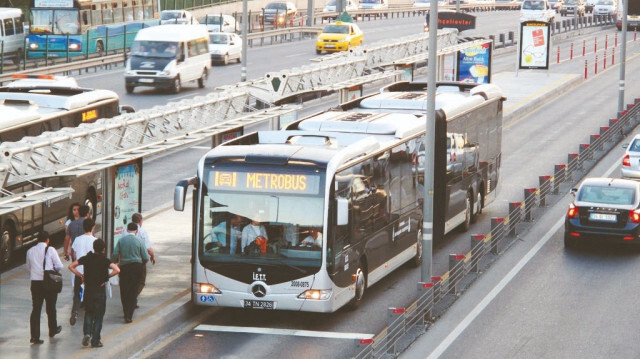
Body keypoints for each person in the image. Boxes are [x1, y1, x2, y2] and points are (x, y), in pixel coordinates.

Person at [69, 239, 119, 348]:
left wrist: (80, 275)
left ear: (93, 247)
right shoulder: (105, 260)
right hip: (100, 292)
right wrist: (106, 278)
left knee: (89, 313)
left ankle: (87, 333)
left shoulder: (87, 258)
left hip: (88, 292)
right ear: (103, 249)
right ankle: (95, 341)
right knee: (99, 317)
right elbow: (117, 270)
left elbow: (71, 266)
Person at [26, 231, 63, 344]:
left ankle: (35, 336)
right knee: (51, 307)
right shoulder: (51, 250)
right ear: (47, 240)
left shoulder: (30, 251)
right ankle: (52, 329)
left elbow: (28, 268)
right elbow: (59, 266)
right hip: (49, 282)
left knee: (36, 309)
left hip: (36, 283)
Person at [112, 222, 149, 323]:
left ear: (127, 230)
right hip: (136, 267)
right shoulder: (139, 241)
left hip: (124, 268)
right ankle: (129, 315)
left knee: (124, 290)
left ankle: (125, 312)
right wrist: (141, 264)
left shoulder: (121, 240)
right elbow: (146, 257)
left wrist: (115, 262)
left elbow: (115, 254)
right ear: (136, 231)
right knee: (133, 290)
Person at [69, 218, 98, 326]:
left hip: (79, 271)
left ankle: (74, 311)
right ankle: (89, 315)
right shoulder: (95, 241)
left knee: (77, 293)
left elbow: (75, 256)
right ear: (93, 227)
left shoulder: (77, 239)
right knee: (90, 293)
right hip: (90, 272)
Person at [132, 213, 155, 308]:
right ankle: (132, 298)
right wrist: (152, 256)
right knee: (141, 281)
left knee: (131, 281)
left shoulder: (125, 231)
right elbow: (148, 248)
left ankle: (133, 299)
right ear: (140, 221)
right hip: (139, 260)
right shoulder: (142, 232)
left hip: (127, 261)